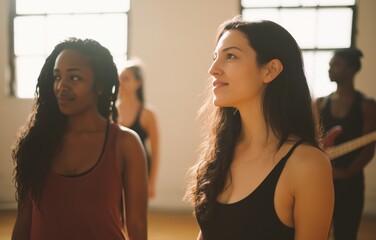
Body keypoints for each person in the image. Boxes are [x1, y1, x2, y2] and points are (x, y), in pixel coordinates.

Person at [185, 17, 334, 240]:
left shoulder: (307, 165)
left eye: (231, 56)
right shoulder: (219, 153)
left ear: (270, 70)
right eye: (215, 57)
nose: (213, 70)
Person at [11, 38, 148, 240]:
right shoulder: (37, 142)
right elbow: (23, 224)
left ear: (100, 85)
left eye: (74, 78)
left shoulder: (125, 143)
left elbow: (136, 225)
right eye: (57, 77)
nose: (61, 86)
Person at [315, 48, 376, 240]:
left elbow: (368, 147)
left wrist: (346, 173)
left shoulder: (366, 105)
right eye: (329, 65)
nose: (329, 69)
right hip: (321, 180)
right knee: (316, 232)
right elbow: (314, 141)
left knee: (346, 233)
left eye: (335, 64)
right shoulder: (320, 103)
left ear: (350, 69)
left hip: (351, 182)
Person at [116, 60, 160, 199]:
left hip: (139, 171)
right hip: (116, 170)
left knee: (135, 216)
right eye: (119, 78)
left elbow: (155, 151)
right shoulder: (112, 111)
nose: (120, 83)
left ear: (138, 83)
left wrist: (152, 183)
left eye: (126, 79)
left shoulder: (147, 114)